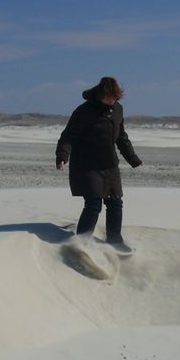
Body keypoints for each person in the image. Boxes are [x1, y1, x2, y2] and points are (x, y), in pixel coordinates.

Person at [55, 76, 142, 250]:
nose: (112, 101)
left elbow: (122, 137)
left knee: (115, 202)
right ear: (100, 95)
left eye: (115, 98)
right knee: (94, 204)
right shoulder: (84, 111)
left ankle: (115, 239)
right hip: (87, 165)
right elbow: (68, 137)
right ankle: (81, 242)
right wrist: (63, 156)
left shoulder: (117, 110)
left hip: (110, 165)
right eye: (109, 98)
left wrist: (133, 159)